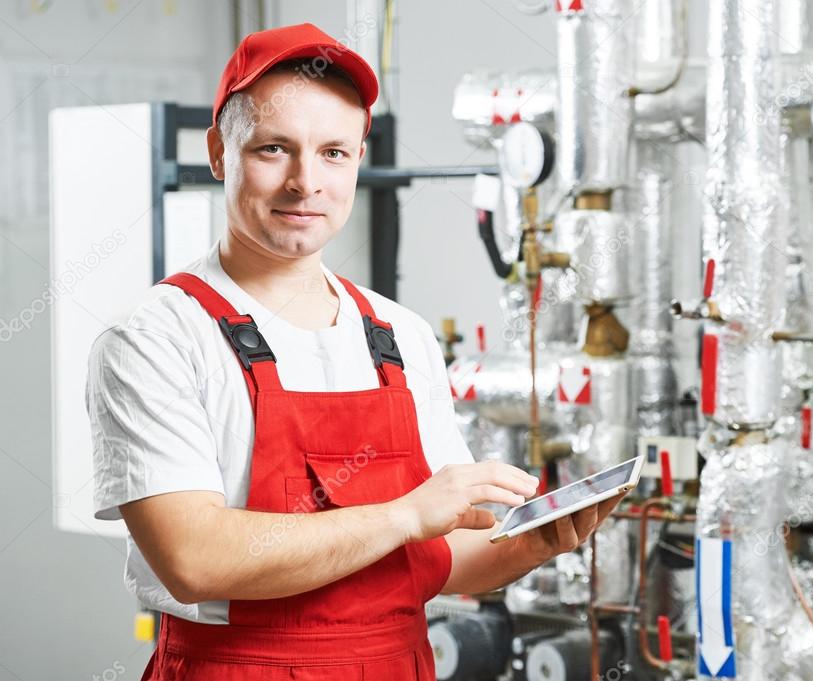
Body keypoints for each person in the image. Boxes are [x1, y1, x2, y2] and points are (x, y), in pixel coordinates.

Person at [86, 22, 623, 680]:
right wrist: (404, 512)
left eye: (334, 153)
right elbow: (195, 558)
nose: (305, 181)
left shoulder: (399, 335)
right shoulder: (154, 338)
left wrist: (533, 541)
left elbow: (437, 554)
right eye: (274, 149)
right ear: (220, 154)